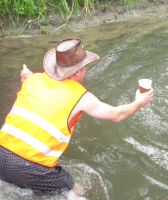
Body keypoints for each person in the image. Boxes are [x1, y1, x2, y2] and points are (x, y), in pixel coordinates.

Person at [0, 38, 154, 196]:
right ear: (76, 72)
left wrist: (26, 73)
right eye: (84, 67)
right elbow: (116, 115)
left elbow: (26, 78)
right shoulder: (81, 96)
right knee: (76, 190)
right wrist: (138, 103)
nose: (85, 71)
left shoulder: (33, 80)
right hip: (29, 167)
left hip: (1, 155)